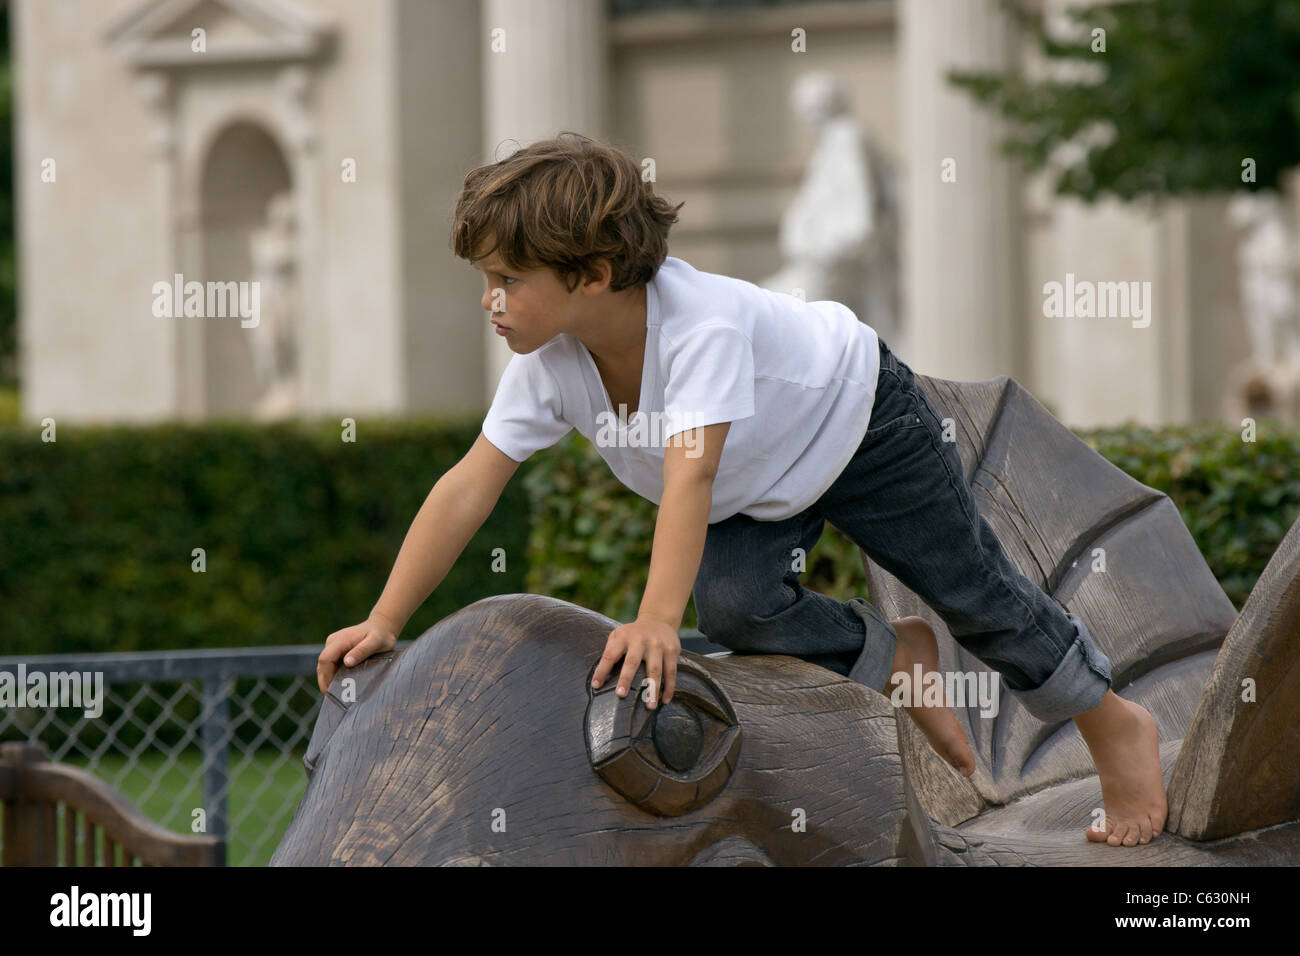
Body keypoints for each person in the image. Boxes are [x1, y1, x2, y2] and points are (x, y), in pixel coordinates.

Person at [316, 132, 1165, 848]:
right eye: (485, 280)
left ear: (595, 272)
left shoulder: (701, 329)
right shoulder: (548, 365)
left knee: (972, 591)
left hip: (856, 424)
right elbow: (468, 487)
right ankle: (897, 656)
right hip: (758, 486)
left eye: (508, 280)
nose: (490, 302)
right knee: (735, 609)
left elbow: (691, 477)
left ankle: (1109, 721)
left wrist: (654, 622)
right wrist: (386, 619)